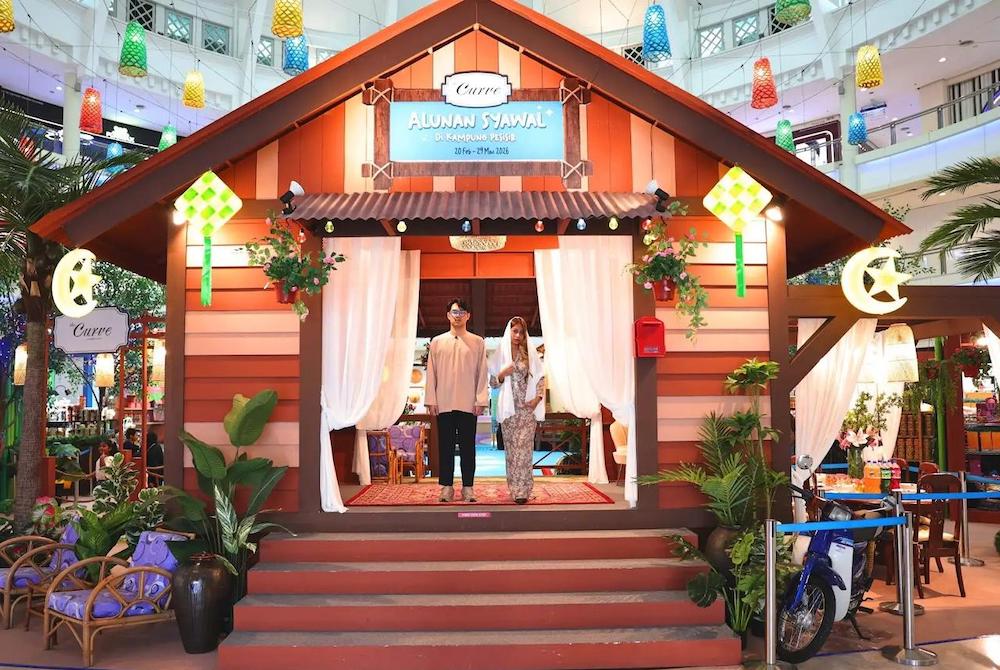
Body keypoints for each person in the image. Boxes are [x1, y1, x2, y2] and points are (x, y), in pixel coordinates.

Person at [424, 298, 489, 503]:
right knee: (446, 446)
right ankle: (447, 487)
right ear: (448, 315)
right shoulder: (437, 342)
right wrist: (431, 400)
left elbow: (482, 373)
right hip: (443, 402)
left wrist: (480, 400)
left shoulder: (477, 342)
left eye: (462, 312)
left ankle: (468, 487)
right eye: (454, 312)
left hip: (468, 403)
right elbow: (431, 373)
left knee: (468, 447)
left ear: (468, 316)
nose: (458, 316)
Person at [490, 317, 545, 504]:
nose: (518, 335)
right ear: (509, 332)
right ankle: (514, 489)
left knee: (524, 450)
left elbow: (540, 377)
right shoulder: (501, 354)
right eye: (515, 331)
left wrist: (538, 398)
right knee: (512, 451)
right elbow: (492, 383)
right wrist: (502, 374)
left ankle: (524, 490)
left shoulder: (529, 354)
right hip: (508, 411)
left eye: (521, 332)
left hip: (526, 409)